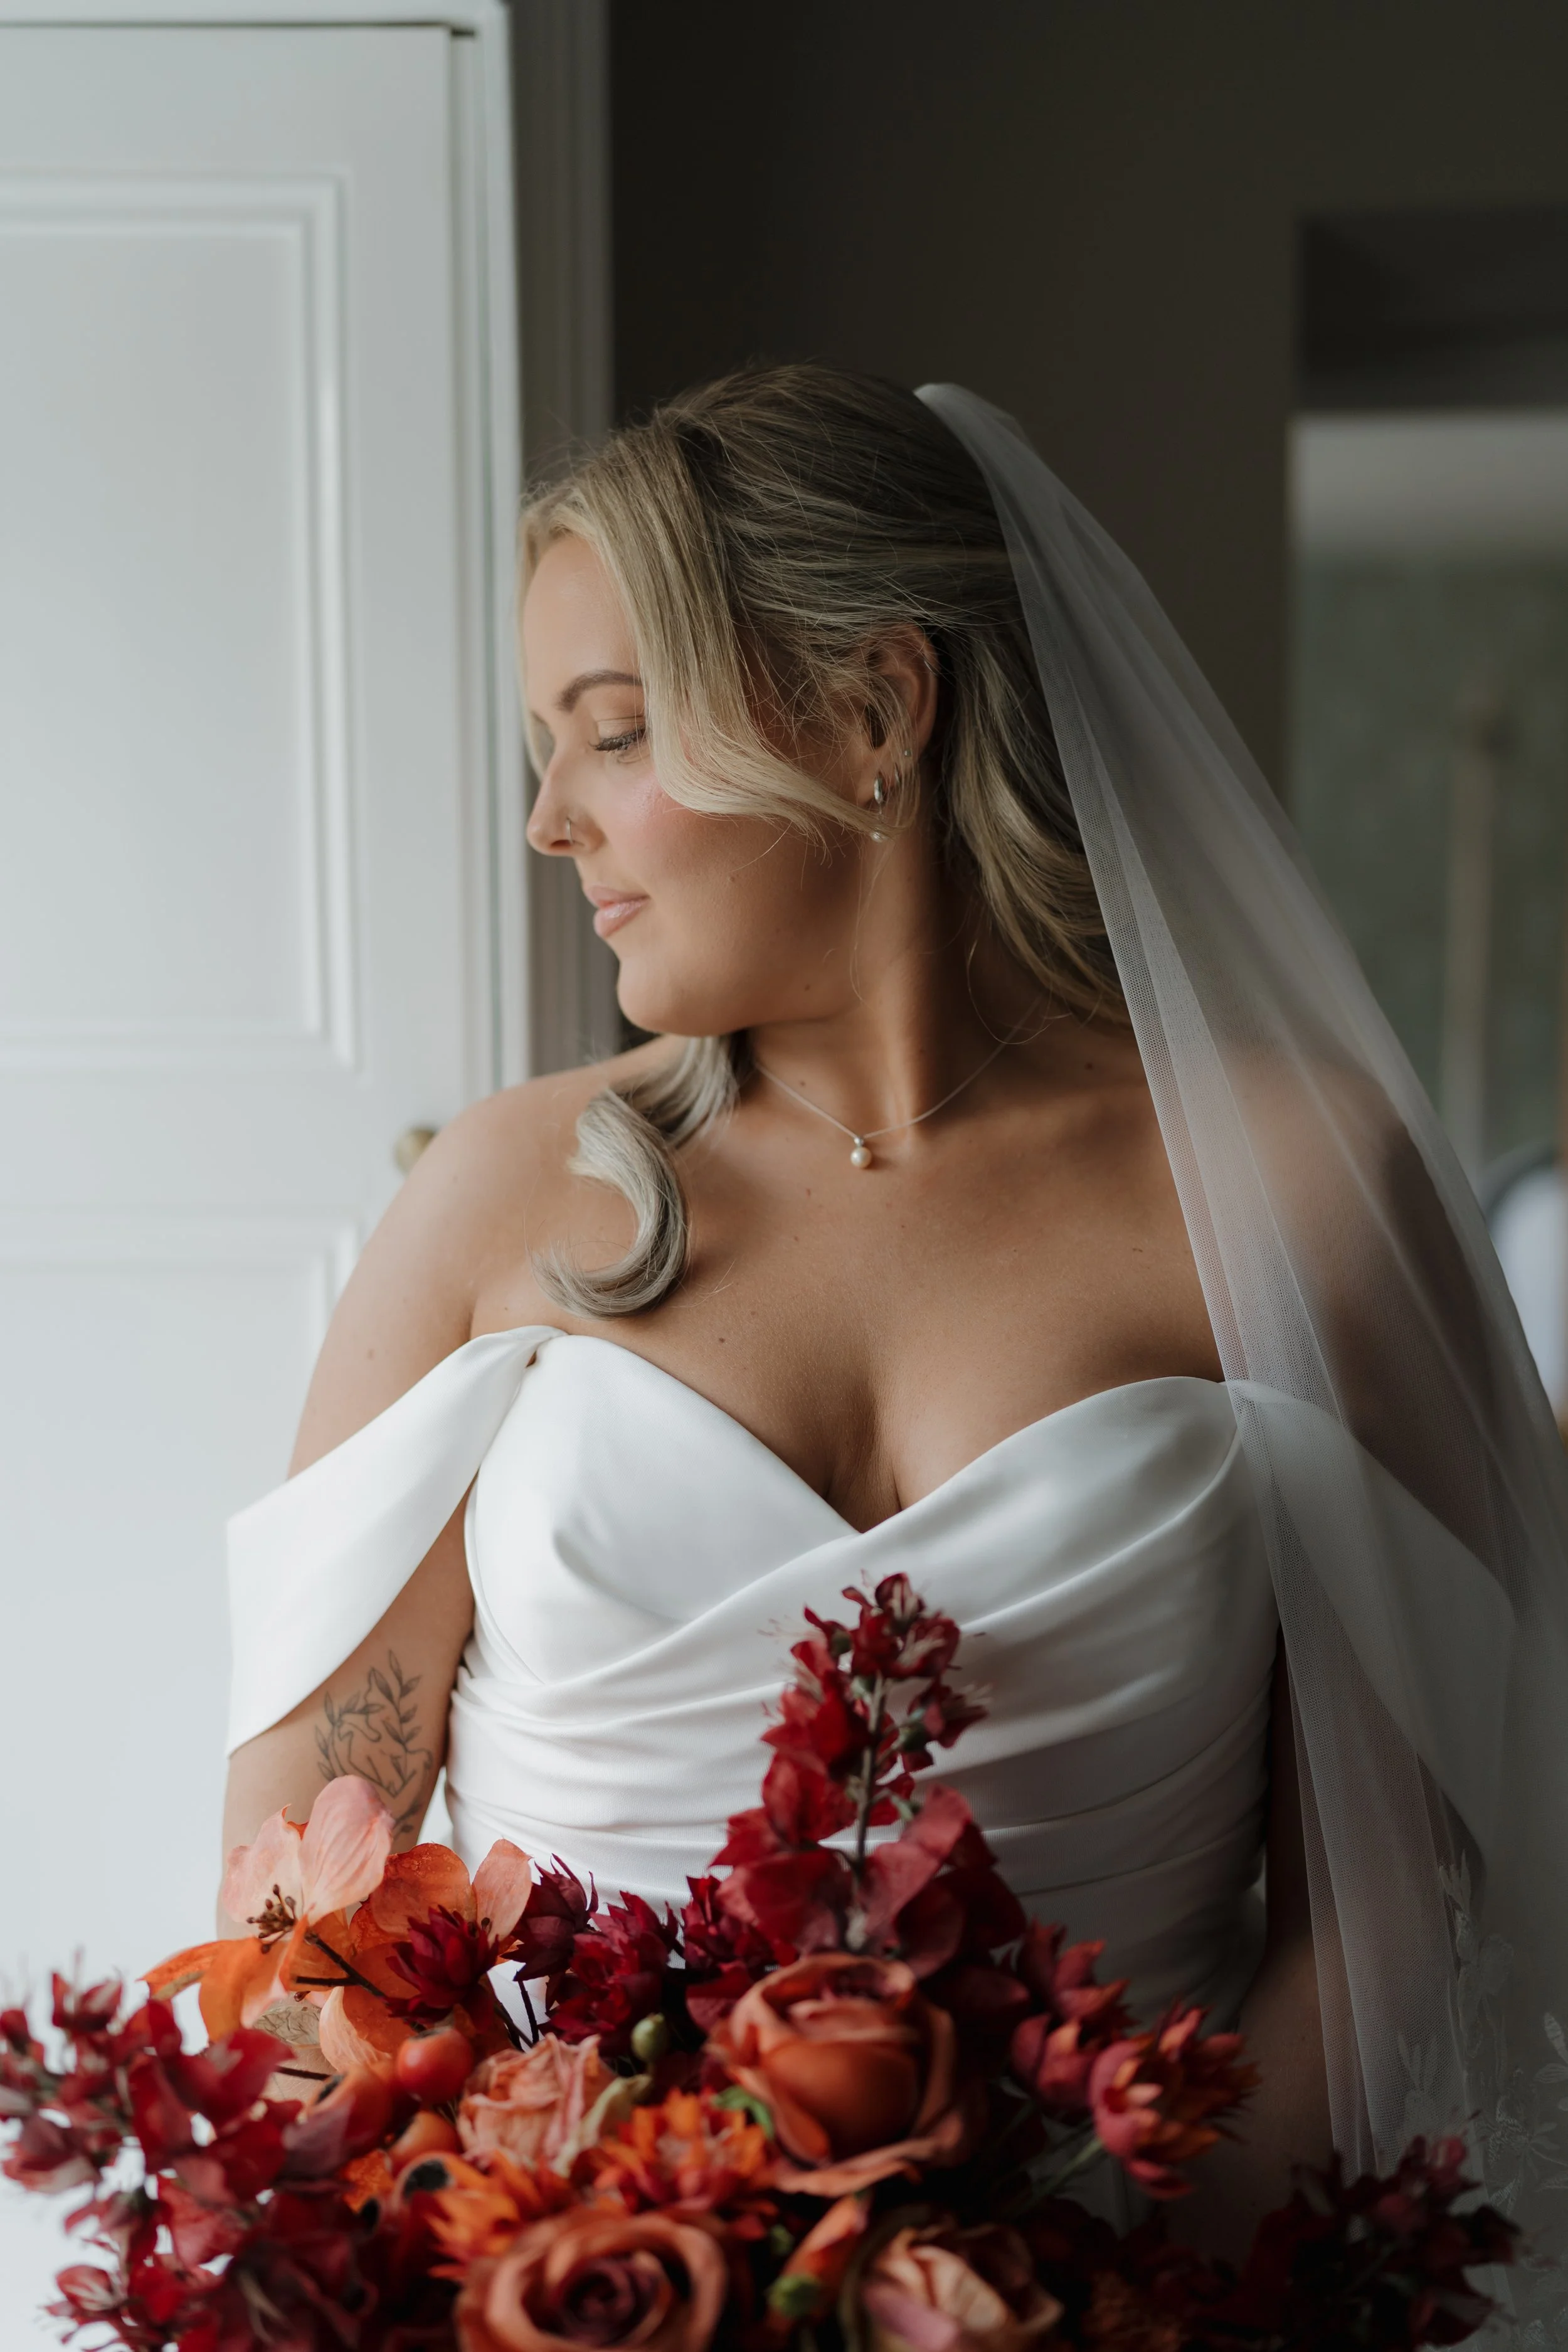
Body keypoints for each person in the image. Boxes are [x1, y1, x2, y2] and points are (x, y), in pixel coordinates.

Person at [219, 366, 1568, 2286]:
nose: (546, 818)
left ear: (872, 712)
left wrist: (1109, 2305)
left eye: (611, 735)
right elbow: (300, 1895)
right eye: (549, 745)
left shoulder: (1290, 1187)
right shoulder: (495, 1205)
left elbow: (1395, 1883)